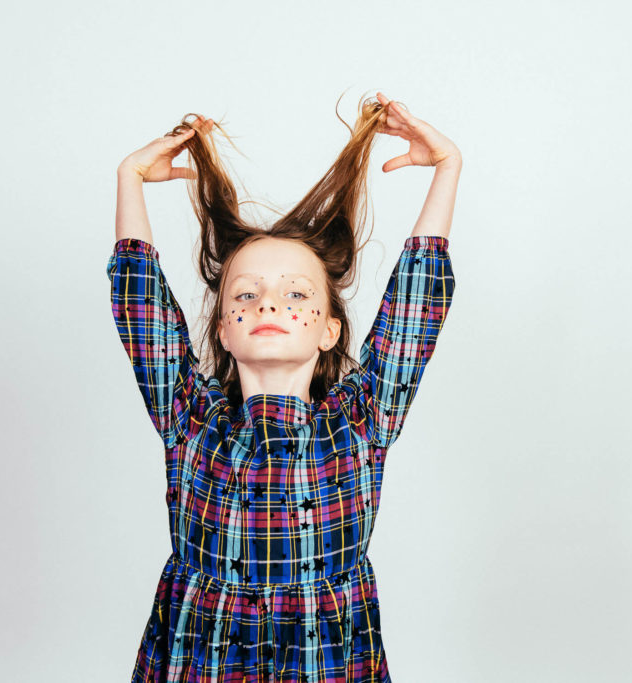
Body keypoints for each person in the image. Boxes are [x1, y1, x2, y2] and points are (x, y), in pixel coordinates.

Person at [107, 91, 460, 682]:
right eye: (246, 294)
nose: (269, 300)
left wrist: (447, 168)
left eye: (296, 293)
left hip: (325, 658)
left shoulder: (362, 417)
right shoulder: (189, 415)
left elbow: (416, 301)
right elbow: (140, 303)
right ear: (222, 328)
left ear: (329, 329)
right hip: (203, 652)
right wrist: (130, 179)